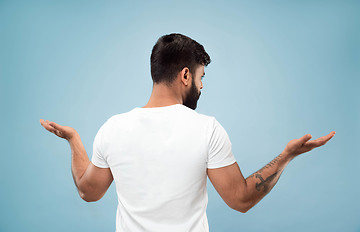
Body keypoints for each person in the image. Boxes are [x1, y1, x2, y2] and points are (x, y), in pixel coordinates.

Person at [40, 33, 335, 232]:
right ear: (185, 75)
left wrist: (73, 140)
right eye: (200, 77)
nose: (202, 86)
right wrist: (286, 156)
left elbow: (88, 191)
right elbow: (241, 199)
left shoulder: (112, 127)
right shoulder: (207, 129)